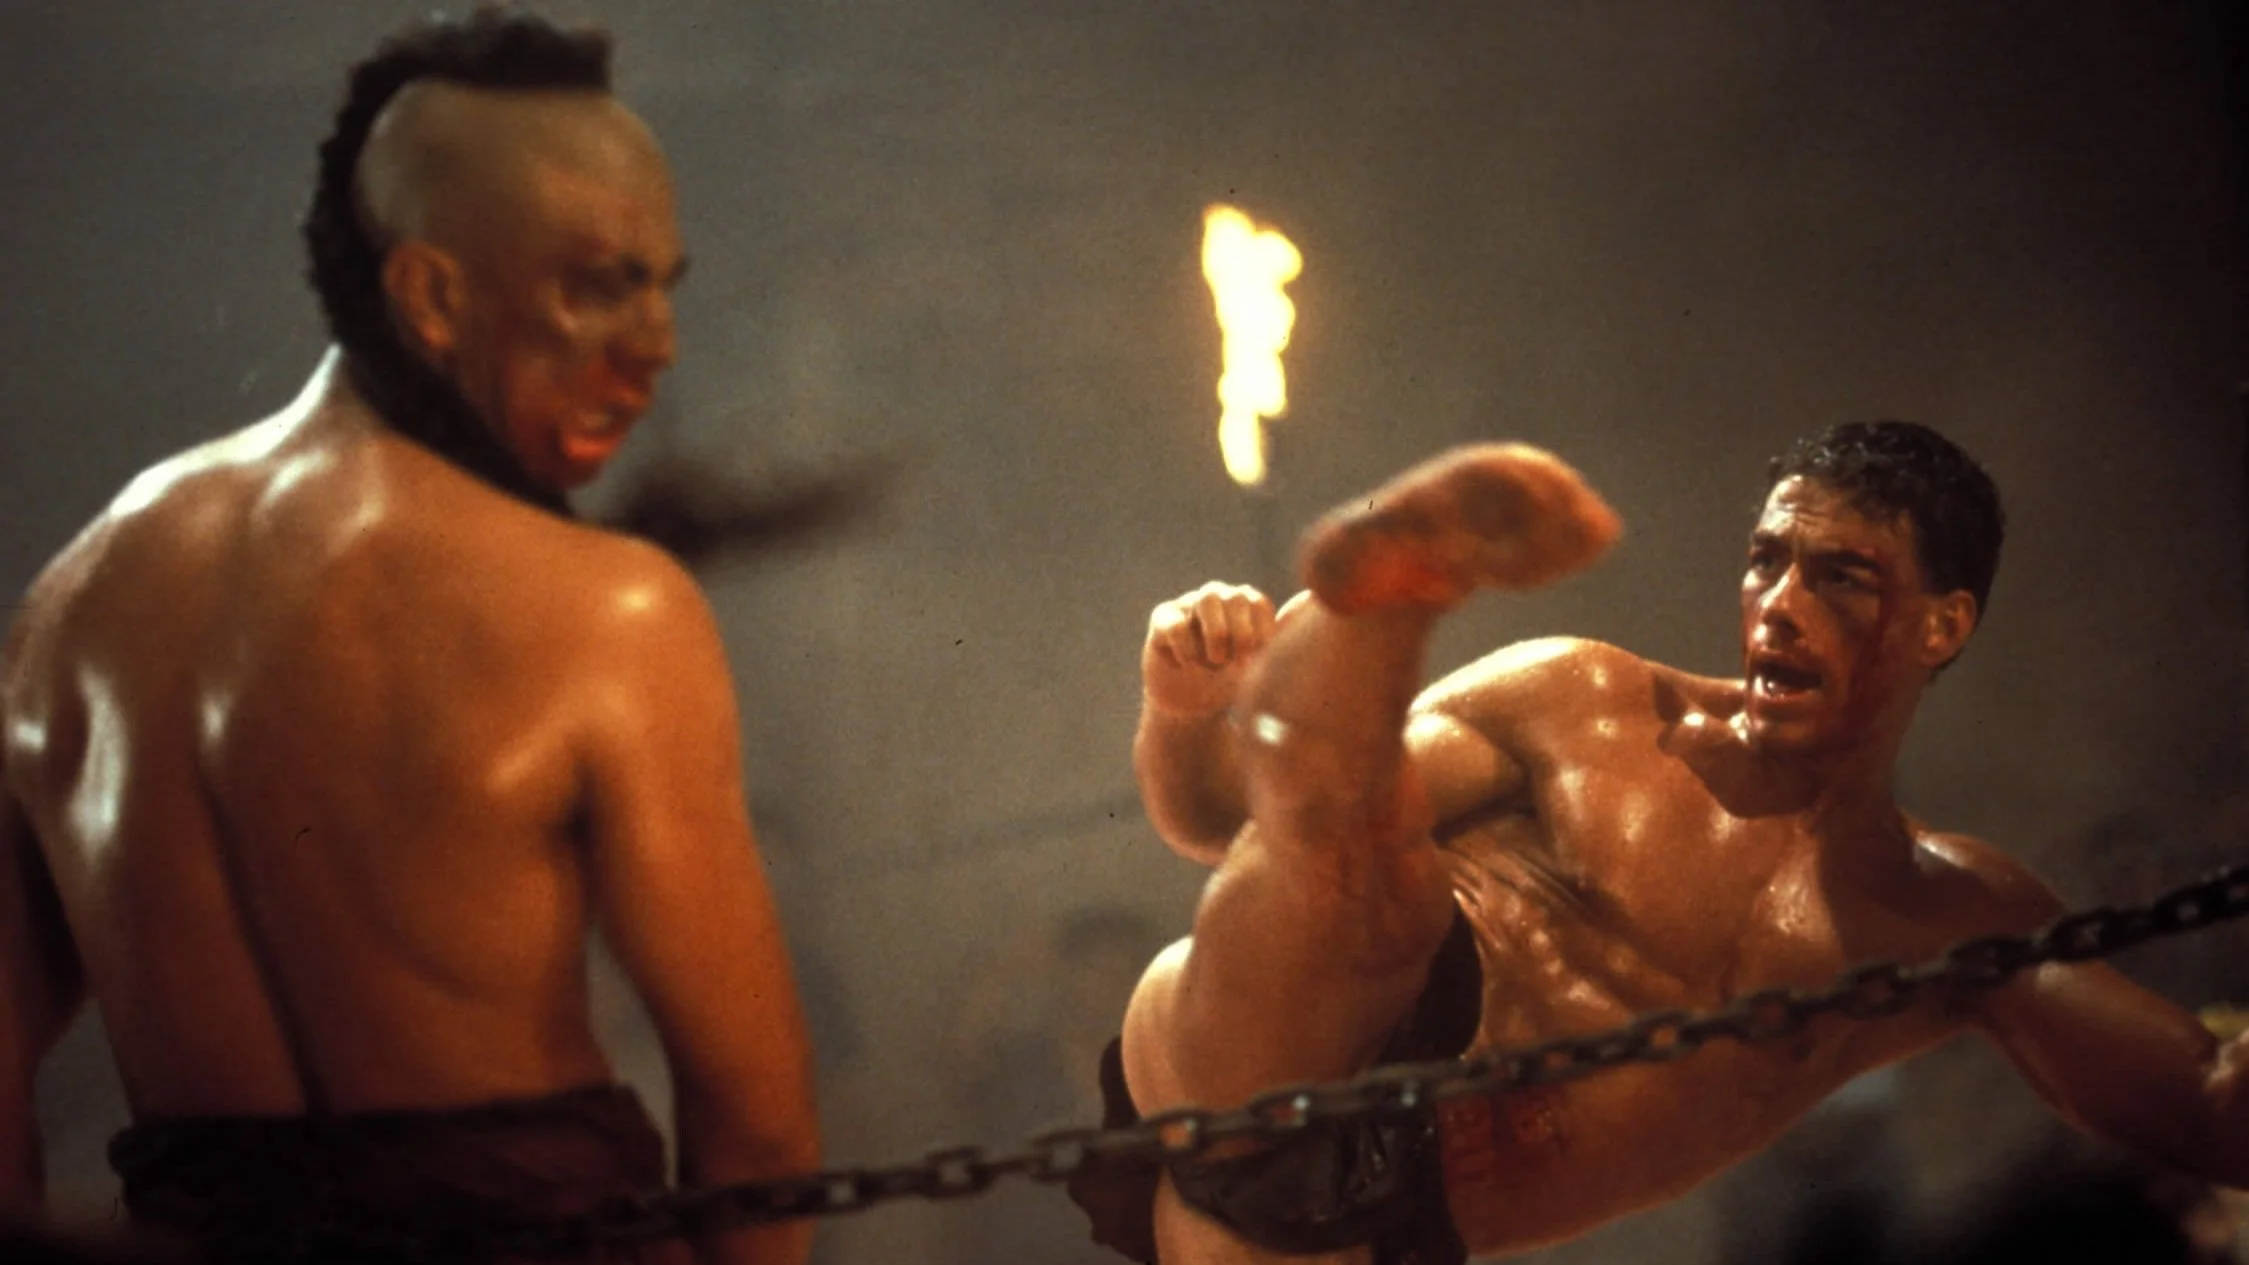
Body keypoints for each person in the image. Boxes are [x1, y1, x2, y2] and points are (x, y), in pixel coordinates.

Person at [0, 9, 817, 1264]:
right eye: (600, 284)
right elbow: (756, 1131)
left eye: (664, 286)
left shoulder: (73, 603)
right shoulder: (611, 608)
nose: (655, 347)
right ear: (431, 293)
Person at [1075, 424, 2248, 1264]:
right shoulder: (1586, 704)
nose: (1778, 603)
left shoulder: (1954, 915)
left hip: (1368, 1230)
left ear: (1940, 624)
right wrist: (1182, 708)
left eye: (1838, 577)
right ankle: (1382, 601)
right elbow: (1220, 822)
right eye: (1765, 560)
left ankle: (1345, 655)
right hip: (1280, 1029)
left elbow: (2207, 1108)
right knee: (1363, 874)